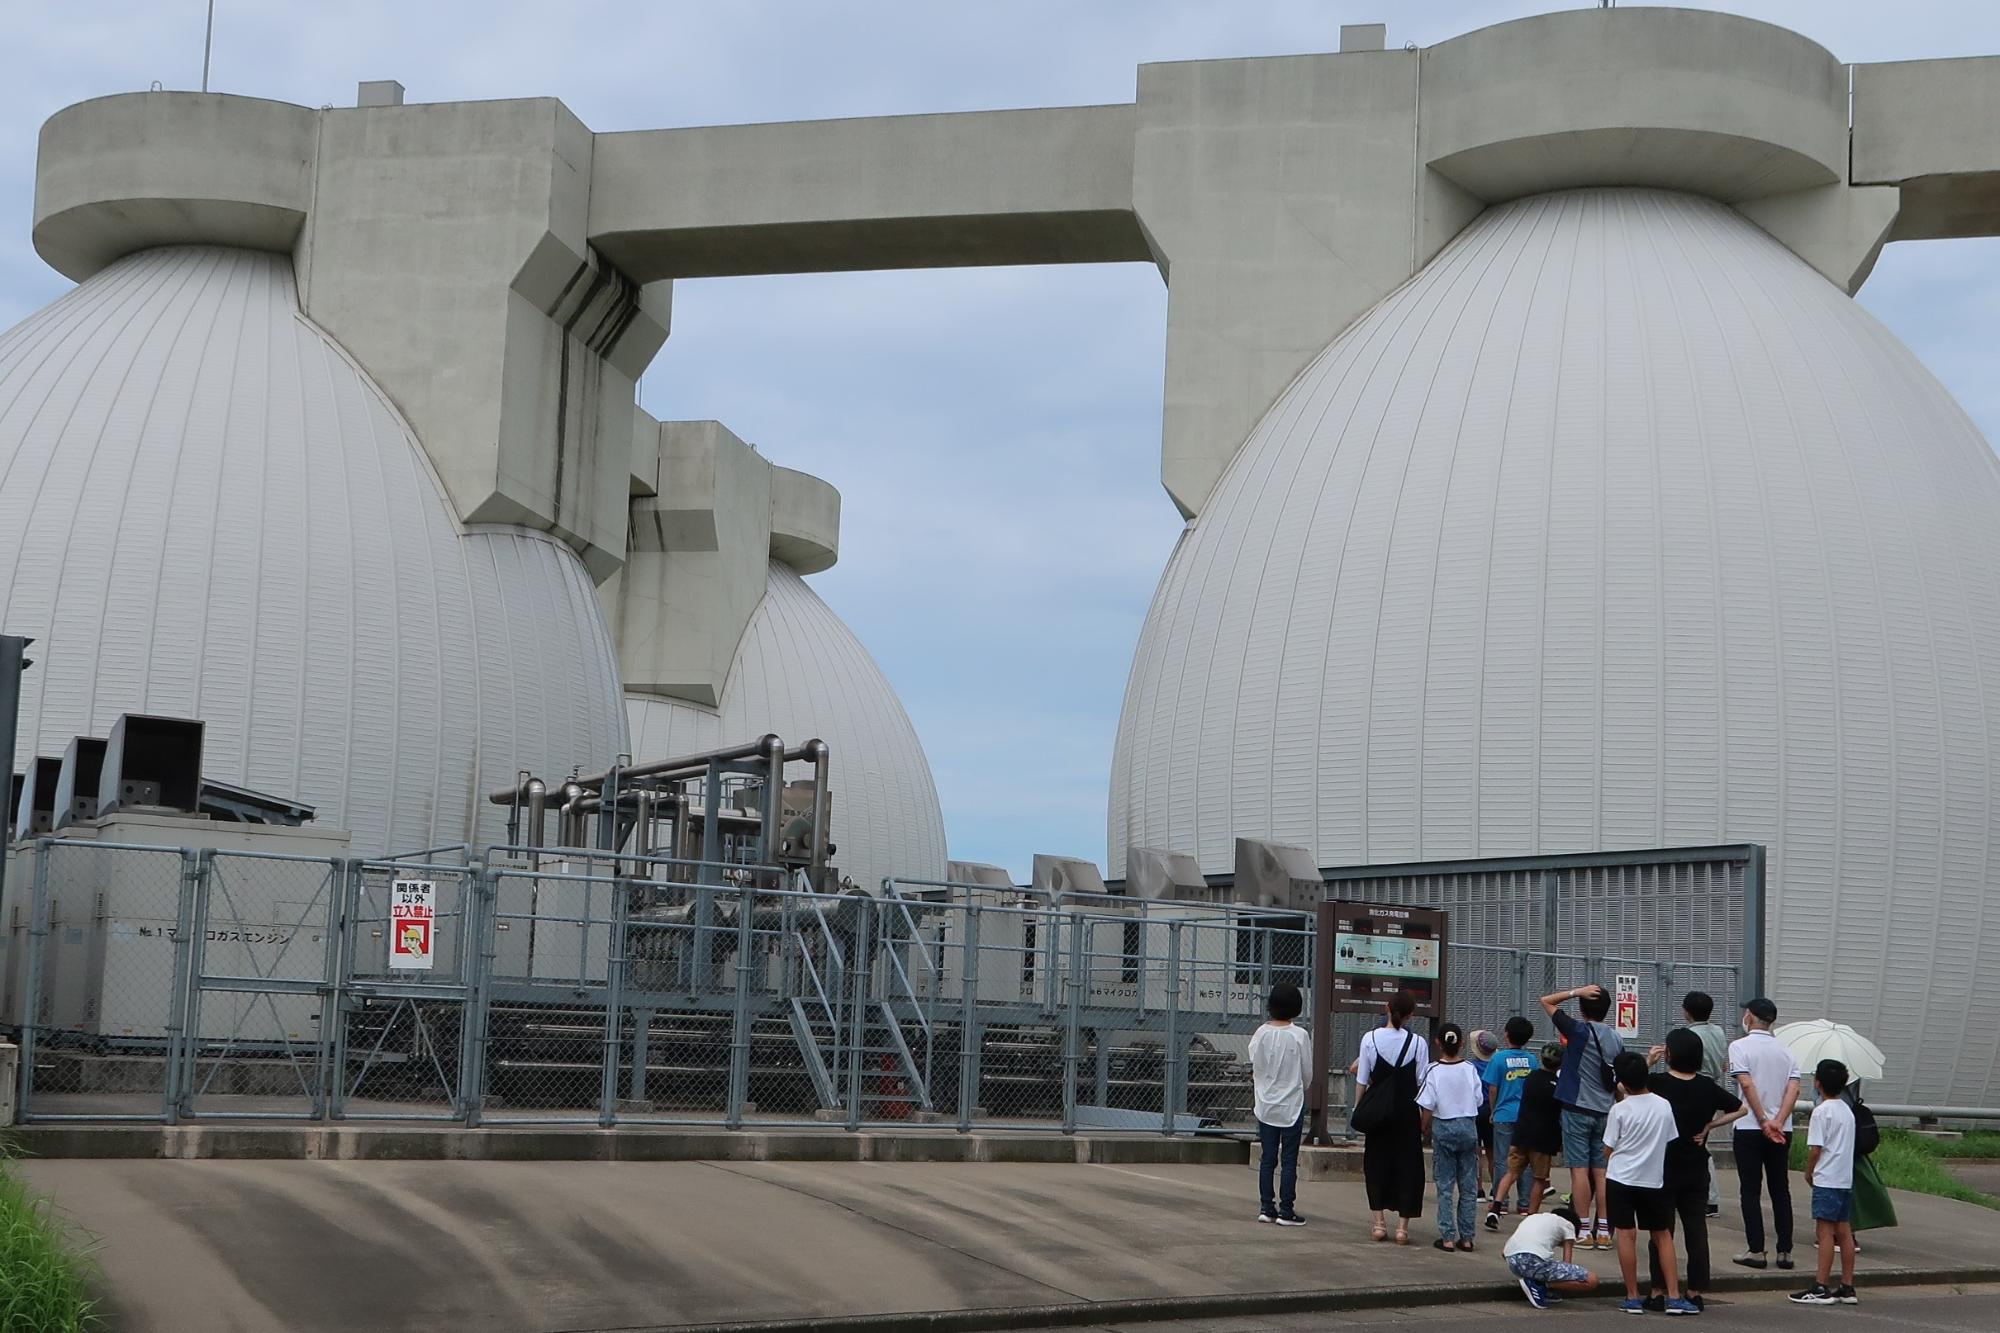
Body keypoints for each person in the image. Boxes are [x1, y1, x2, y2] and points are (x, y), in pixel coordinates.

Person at [1643, 1027, 1747, 1312]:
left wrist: (1648, 1062)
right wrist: (1710, 1125)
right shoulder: (1706, 1086)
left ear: (1670, 1054)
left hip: (1663, 1166)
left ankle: (1657, 1289)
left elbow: (1624, 1086)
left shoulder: (1657, 1083)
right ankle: (1695, 1290)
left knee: (1661, 1231)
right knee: (1696, 1231)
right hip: (1696, 1165)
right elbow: (1741, 1109)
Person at [1603, 1050, 1694, 1315]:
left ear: (1621, 1081)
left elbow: (1608, 1149)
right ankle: (1674, 1297)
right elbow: (1669, 1137)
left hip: (1620, 1178)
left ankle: (1632, 1296)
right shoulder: (1663, 1105)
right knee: (1662, 1235)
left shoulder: (1619, 1110)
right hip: (1653, 1180)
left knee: (1626, 1234)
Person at [1540, 981, 1624, 1250]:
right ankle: (1604, 1231)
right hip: (1605, 1110)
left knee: (1579, 1170)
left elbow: (1547, 1001)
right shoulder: (1615, 1037)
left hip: (1577, 1108)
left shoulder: (1578, 1031)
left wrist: (1576, 992)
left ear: (1583, 1006)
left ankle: (1584, 1230)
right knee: (1601, 1172)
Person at [1728, 996, 1802, 1271]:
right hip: (1783, 1130)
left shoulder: (1739, 1047)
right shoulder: (1787, 1051)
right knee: (1780, 1188)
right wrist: (1778, 1122)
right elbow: (1793, 1089)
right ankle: (1785, 1251)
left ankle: (1757, 1250)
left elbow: (1746, 1084)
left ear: (1749, 1016)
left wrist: (1762, 1120)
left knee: (1750, 1189)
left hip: (1750, 1127)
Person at [1355, 989, 1431, 1244]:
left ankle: (1378, 1224)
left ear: (1387, 1008)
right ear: (1410, 1015)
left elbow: (1362, 1079)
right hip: (1407, 1112)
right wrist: (1424, 1118)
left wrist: (1360, 1109)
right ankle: (1402, 1228)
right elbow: (1422, 1081)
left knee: (1376, 1164)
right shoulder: (1418, 1043)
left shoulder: (1370, 1039)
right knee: (1408, 1166)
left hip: (1378, 1112)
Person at [1790, 1059, 1862, 1306]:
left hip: (1827, 1178)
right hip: (1844, 1178)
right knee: (1845, 1232)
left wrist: (1809, 1172)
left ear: (1817, 1083)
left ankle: (1821, 1286)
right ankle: (1847, 1286)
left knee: (1825, 1233)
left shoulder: (1821, 1112)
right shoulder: (1847, 1111)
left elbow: (1815, 1150)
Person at [1248, 982, 1312, 1226]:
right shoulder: (1300, 1035)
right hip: (1292, 1104)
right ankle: (1287, 1209)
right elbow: (1307, 1073)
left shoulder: (1261, 1033)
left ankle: (1266, 1207)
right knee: (1288, 1159)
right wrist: (1300, 1086)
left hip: (1265, 1103)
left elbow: (1255, 1061)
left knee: (1267, 1158)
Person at [1419, 1023, 1485, 1251]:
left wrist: (1424, 1128)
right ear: (1462, 1044)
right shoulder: (1470, 1068)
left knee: (1445, 1185)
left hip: (1444, 1125)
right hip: (1468, 1125)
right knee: (1467, 1186)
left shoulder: (1433, 1070)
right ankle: (1467, 1237)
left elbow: (1427, 1105)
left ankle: (1447, 1236)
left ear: (1438, 1042)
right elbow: (1478, 1099)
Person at [1491, 1041, 1563, 1224]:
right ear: (1561, 1063)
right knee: (1539, 1178)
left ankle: (1496, 1207)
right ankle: (1531, 1216)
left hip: (1521, 1133)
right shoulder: (1558, 1086)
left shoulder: (1530, 1077)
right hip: (1542, 1139)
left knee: (1511, 1172)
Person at [1680, 991, 1733, 1216]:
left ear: (1687, 1011)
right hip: (1710, 1087)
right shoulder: (1719, 1032)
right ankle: (1707, 1199)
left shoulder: (1687, 1035)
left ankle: (1701, 1196)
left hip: (1690, 1088)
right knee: (1701, 1142)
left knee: (1691, 1144)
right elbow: (1723, 1065)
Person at [1483, 1017, 1537, 1228]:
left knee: (1501, 1159)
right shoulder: (1532, 1060)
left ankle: (1501, 1201)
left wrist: (1494, 1110)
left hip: (1504, 1114)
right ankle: (1524, 1203)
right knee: (1524, 1160)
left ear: (1506, 1034)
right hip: (1525, 1116)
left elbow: (1493, 1088)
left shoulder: (1498, 1059)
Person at [1503, 1204, 1601, 1309]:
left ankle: (1534, 1280)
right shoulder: (1568, 1225)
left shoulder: (1533, 1218)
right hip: (1532, 1260)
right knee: (1591, 1280)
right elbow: (1567, 1262)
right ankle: (1540, 1285)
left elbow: (1503, 1252)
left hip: (1512, 1262)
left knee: (1544, 1265)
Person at [1470, 1028, 1499, 1200]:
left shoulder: (1471, 1066)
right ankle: (1496, 1190)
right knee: (1492, 1152)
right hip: (1491, 1109)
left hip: (1475, 1109)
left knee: (1476, 1152)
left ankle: (1478, 1189)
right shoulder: (1496, 1064)